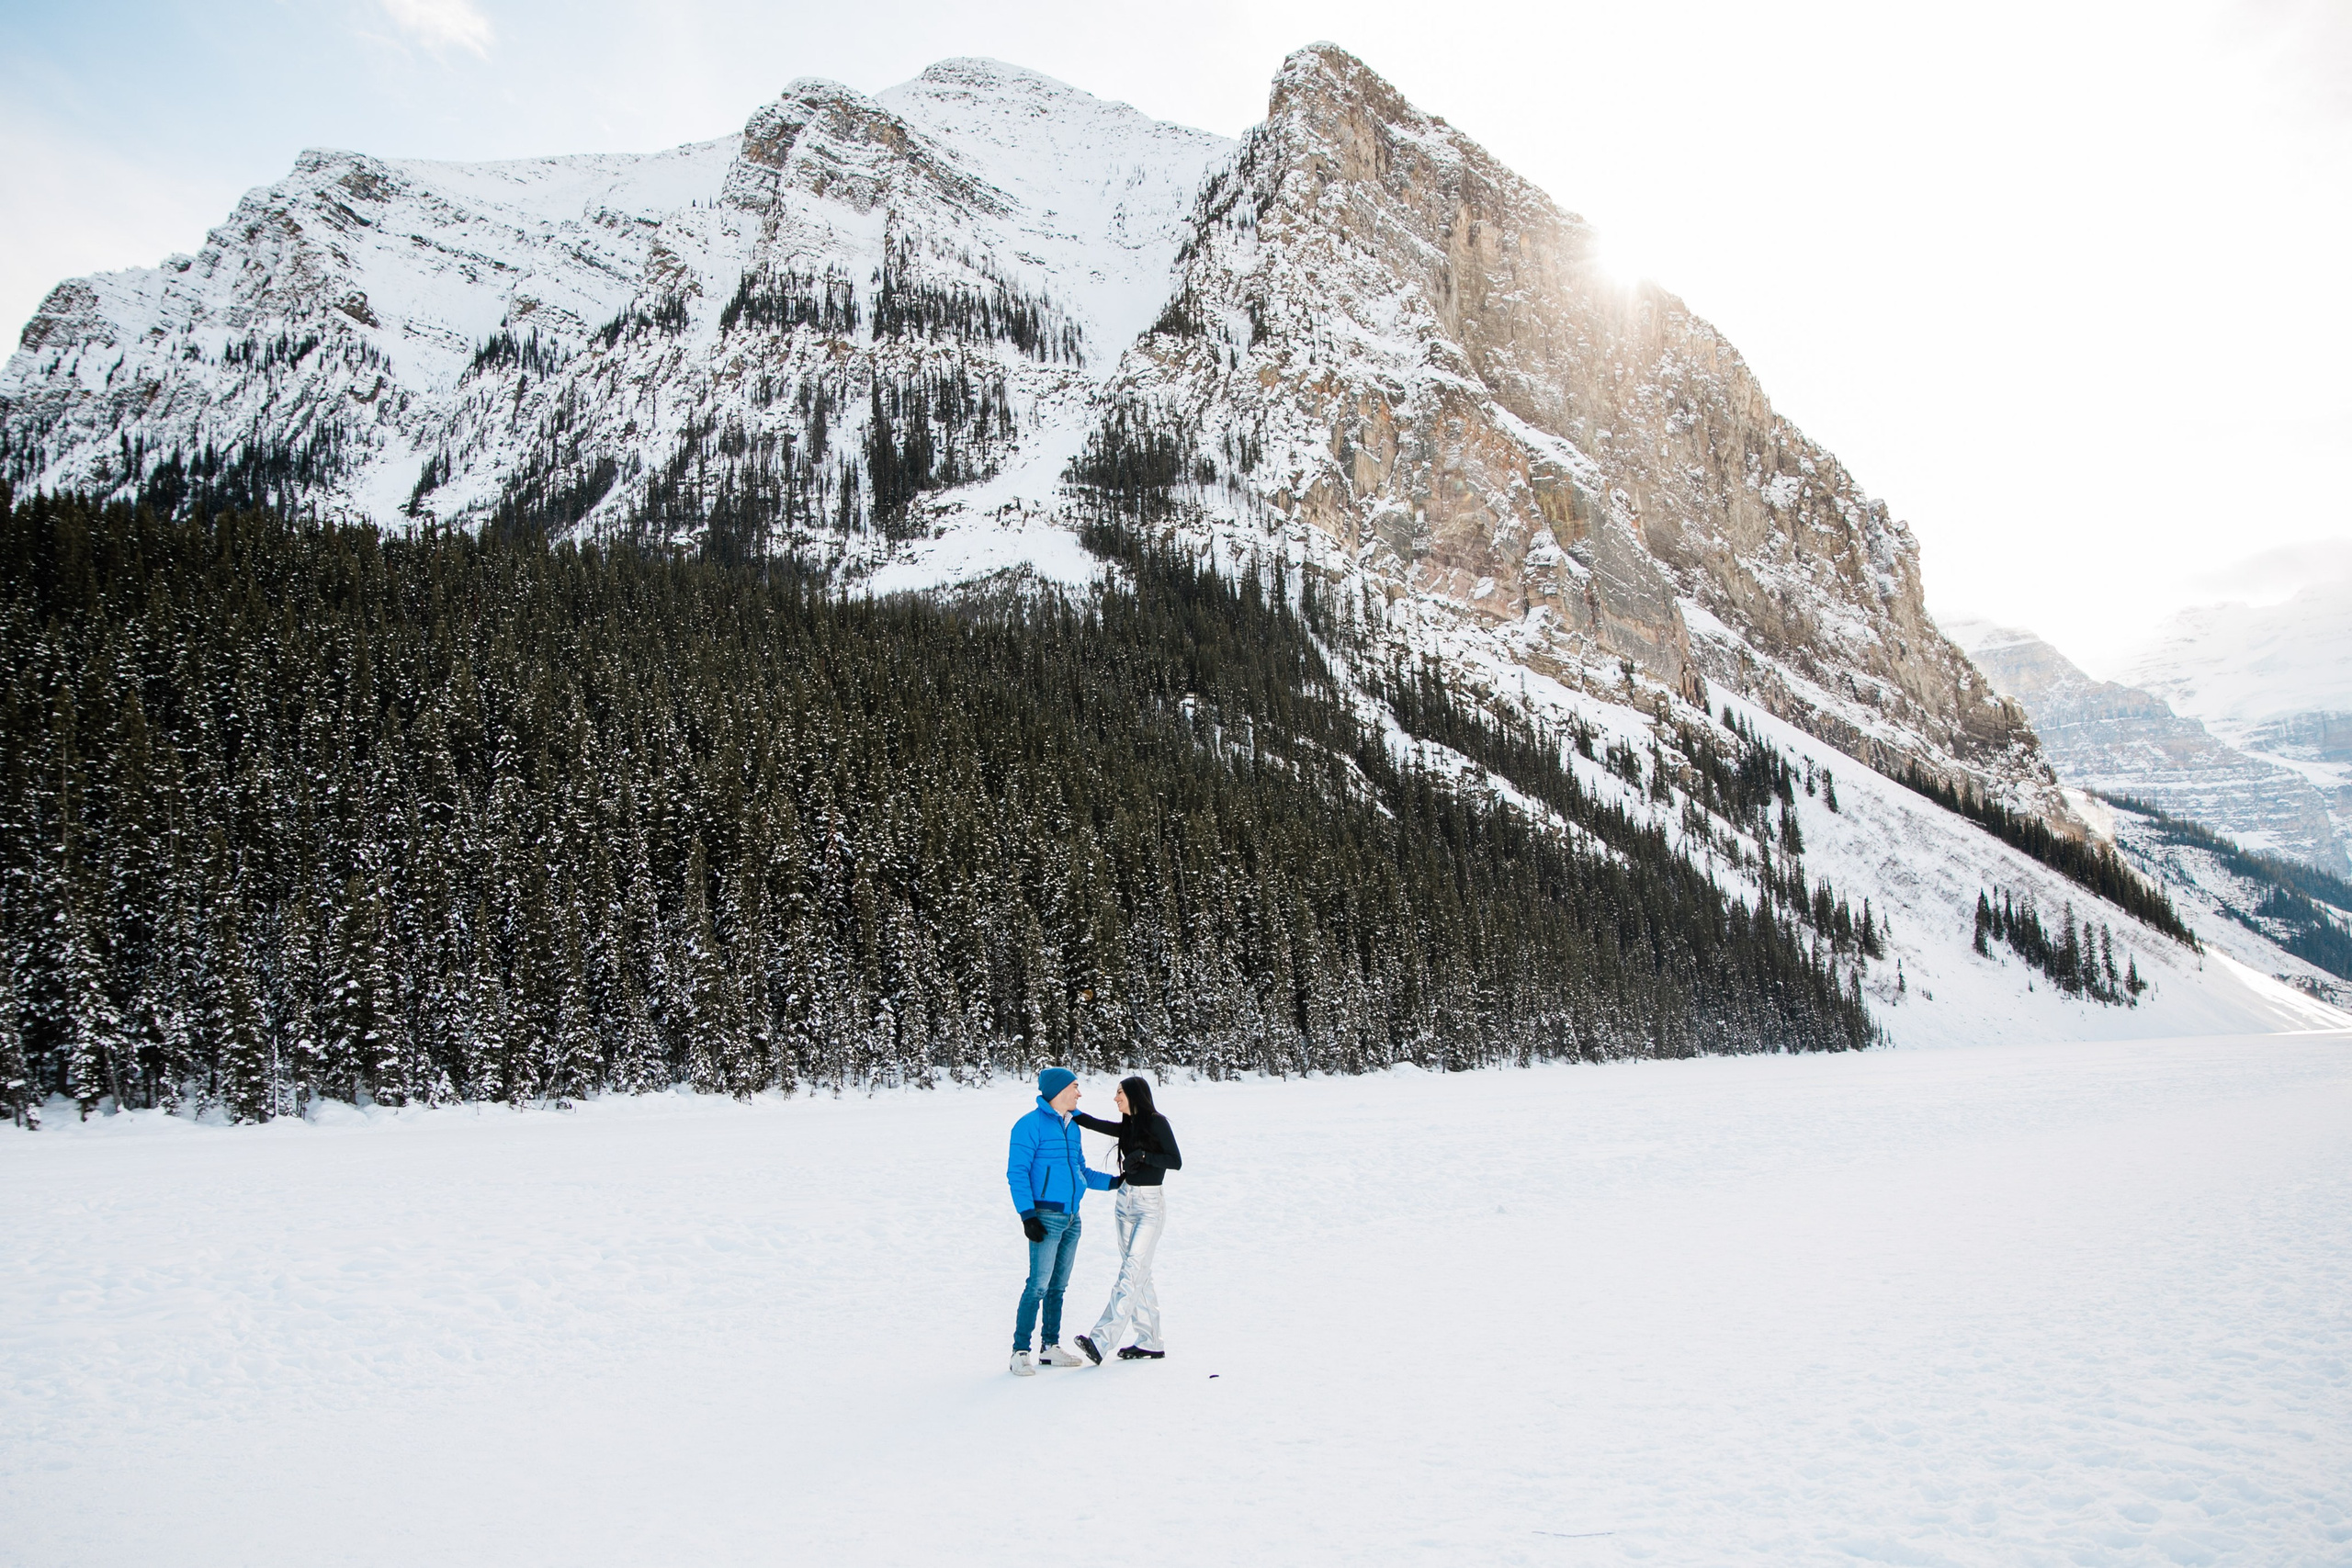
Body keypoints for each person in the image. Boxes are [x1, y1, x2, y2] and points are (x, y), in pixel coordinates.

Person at [1006, 1066, 1120, 1376]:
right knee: (1038, 1285)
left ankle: (1049, 1347)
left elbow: (1080, 1170)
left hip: (1072, 1217)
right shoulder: (1029, 1126)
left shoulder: (1073, 1126)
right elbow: (1016, 1173)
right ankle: (1020, 1351)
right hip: (1045, 1217)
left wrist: (1115, 1182)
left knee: (1058, 1287)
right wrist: (1027, 1215)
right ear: (1058, 1090)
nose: (1079, 1093)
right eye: (1075, 1087)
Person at [1071, 1076, 1182, 1364]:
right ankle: (1150, 1341)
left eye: (1119, 1093)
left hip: (1149, 1207)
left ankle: (1100, 1339)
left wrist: (1144, 1156)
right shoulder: (1128, 1126)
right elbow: (1099, 1124)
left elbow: (1175, 1160)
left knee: (1130, 1274)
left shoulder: (1157, 1122)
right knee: (1138, 1275)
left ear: (1134, 1095)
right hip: (1124, 1203)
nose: (1115, 1098)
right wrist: (1073, 1113)